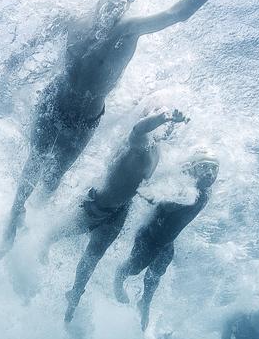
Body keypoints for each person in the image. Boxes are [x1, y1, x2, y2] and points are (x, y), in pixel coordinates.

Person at [0, 0, 248, 262]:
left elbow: (176, 14)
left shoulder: (128, 29)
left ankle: (34, 220)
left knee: (55, 175)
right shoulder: (69, 19)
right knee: (33, 162)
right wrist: (10, 69)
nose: (122, 1)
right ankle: (12, 223)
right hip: (53, 101)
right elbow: (31, 47)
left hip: (85, 118)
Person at [43, 108, 188, 325]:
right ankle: (30, 258)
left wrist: (171, 125)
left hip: (118, 213)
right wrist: (162, 117)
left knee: (92, 258)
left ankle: (74, 297)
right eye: (162, 126)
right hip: (96, 204)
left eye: (168, 128)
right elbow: (138, 129)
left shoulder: (157, 151)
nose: (167, 130)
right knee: (49, 238)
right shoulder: (140, 143)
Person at [113, 151, 220, 330]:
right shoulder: (186, 187)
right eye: (204, 167)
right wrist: (157, 197)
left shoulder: (205, 191)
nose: (209, 173)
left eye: (213, 169)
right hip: (149, 237)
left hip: (167, 241)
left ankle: (144, 304)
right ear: (192, 170)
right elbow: (172, 201)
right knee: (135, 267)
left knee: (155, 276)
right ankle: (118, 278)